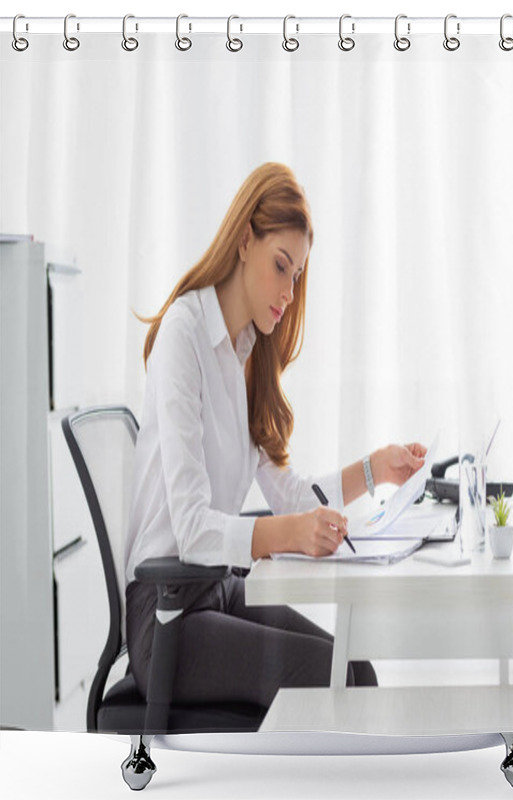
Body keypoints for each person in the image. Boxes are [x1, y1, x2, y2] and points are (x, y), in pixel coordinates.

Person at [123, 162, 427, 710]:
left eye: (297, 275)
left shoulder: (247, 354)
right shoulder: (183, 336)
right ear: (245, 242)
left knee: (355, 669)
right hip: (166, 617)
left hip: (218, 592)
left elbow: (291, 496)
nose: (288, 292)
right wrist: (290, 533)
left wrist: (376, 469)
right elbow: (191, 532)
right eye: (280, 266)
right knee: (336, 684)